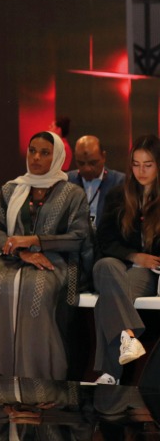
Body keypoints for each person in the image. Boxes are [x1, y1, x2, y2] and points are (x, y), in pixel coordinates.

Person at [0, 131, 90, 379]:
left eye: (44, 153)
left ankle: (40, 377)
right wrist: (21, 252)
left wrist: (36, 242)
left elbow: (79, 237)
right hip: (12, 258)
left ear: (57, 158)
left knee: (36, 291)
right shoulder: (11, 189)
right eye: (32, 151)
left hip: (56, 260)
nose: (36, 158)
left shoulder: (73, 194)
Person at [91, 134, 160, 385]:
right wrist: (134, 256)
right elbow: (105, 241)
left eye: (148, 165)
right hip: (119, 265)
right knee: (104, 265)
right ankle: (128, 336)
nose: (141, 171)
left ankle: (111, 374)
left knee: (108, 300)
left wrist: (145, 261)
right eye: (136, 164)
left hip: (149, 271)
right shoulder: (118, 195)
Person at [67, 134, 124, 227]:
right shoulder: (67, 181)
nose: (87, 169)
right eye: (81, 163)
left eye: (93, 163)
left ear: (104, 157)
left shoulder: (120, 182)